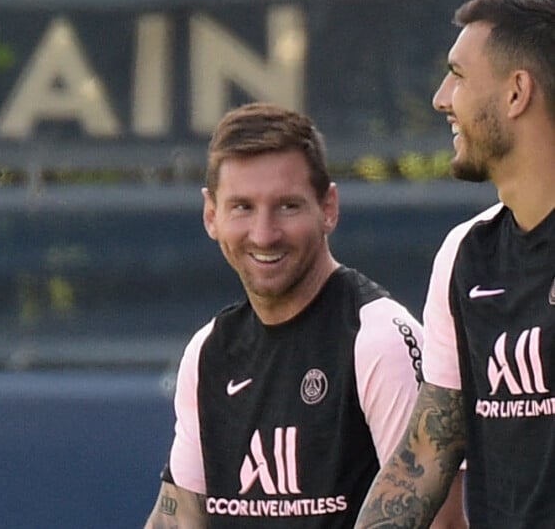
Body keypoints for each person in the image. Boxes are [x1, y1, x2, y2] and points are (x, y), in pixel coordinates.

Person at [144, 102, 465, 528]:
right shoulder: (208, 353)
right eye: (242, 207)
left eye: (287, 206)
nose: (264, 233)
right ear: (211, 215)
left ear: (328, 207)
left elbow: (441, 523)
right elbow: (176, 521)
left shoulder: (377, 338)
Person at [354, 0, 555, 528]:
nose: (443, 97)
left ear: (517, 93)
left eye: (460, 75)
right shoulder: (466, 254)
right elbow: (422, 459)